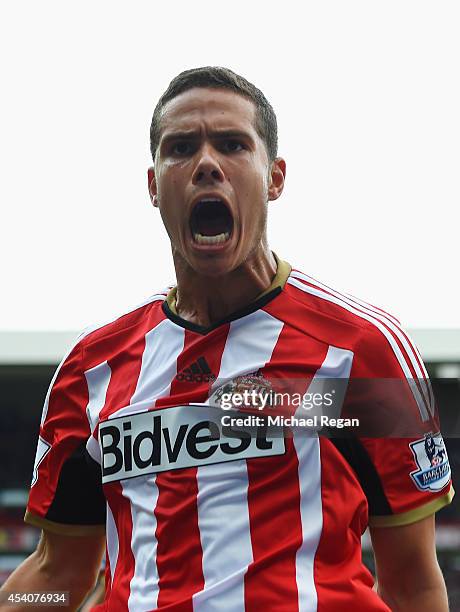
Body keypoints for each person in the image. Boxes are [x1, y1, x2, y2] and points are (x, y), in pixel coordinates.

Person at [0, 67, 453, 612]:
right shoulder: (92, 370)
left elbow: (411, 583)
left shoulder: (361, 351)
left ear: (275, 178)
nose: (207, 164)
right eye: (181, 148)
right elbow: (60, 574)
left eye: (233, 145)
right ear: (153, 185)